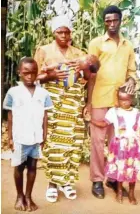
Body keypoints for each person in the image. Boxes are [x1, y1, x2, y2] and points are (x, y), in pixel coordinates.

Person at [34, 15, 99, 203]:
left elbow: (92, 75)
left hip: (73, 105)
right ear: (54, 32)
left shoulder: (79, 53)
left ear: (71, 33)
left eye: (67, 31)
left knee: (72, 143)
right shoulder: (44, 51)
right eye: (60, 31)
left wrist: (88, 103)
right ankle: (53, 183)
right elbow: (33, 75)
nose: (63, 35)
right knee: (54, 144)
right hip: (53, 105)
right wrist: (50, 75)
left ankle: (67, 182)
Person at [83, 5, 139, 199]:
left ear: (120, 20)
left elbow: (132, 72)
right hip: (99, 98)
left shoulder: (128, 45)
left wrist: (131, 80)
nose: (112, 24)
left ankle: (114, 179)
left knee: (117, 142)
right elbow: (90, 74)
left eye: (115, 20)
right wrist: (88, 103)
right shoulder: (96, 43)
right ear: (104, 22)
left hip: (120, 103)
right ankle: (97, 180)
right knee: (98, 142)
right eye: (108, 20)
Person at [3, 57, 53, 211]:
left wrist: (45, 135)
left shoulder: (43, 93)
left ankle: (28, 196)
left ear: (37, 73)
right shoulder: (13, 92)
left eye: (33, 73)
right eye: (26, 73)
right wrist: (10, 137)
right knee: (18, 167)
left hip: (36, 137)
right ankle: (19, 196)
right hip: (19, 137)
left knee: (33, 166)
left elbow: (45, 116)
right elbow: (10, 116)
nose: (30, 77)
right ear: (19, 73)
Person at [91, 86, 140, 205]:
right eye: (120, 100)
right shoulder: (114, 112)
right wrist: (91, 120)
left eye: (126, 100)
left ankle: (131, 193)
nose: (123, 102)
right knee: (120, 170)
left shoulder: (138, 113)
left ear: (131, 99)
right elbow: (103, 124)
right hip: (120, 147)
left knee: (133, 171)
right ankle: (119, 191)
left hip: (134, 148)